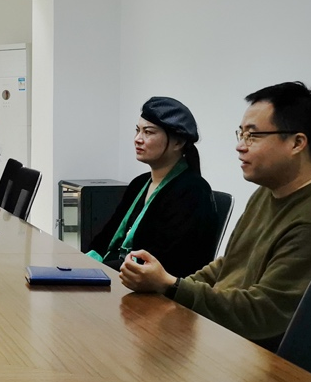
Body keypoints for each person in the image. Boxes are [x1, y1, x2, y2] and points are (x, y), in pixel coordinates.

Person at [120, 82, 311, 349]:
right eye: (241, 134)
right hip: (227, 338)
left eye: (253, 136)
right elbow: (228, 265)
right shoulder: (267, 193)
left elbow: (260, 316)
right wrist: (173, 286)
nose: (240, 146)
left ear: (297, 143)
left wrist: (173, 286)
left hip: (265, 358)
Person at [88, 96, 219, 277]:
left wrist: (100, 272)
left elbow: (165, 261)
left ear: (178, 142)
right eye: (137, 131)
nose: (137, 139)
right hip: (120, 276)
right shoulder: (139, 183)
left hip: (151, 287)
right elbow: (105, 238)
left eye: (148, 132)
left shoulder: (193, 192)